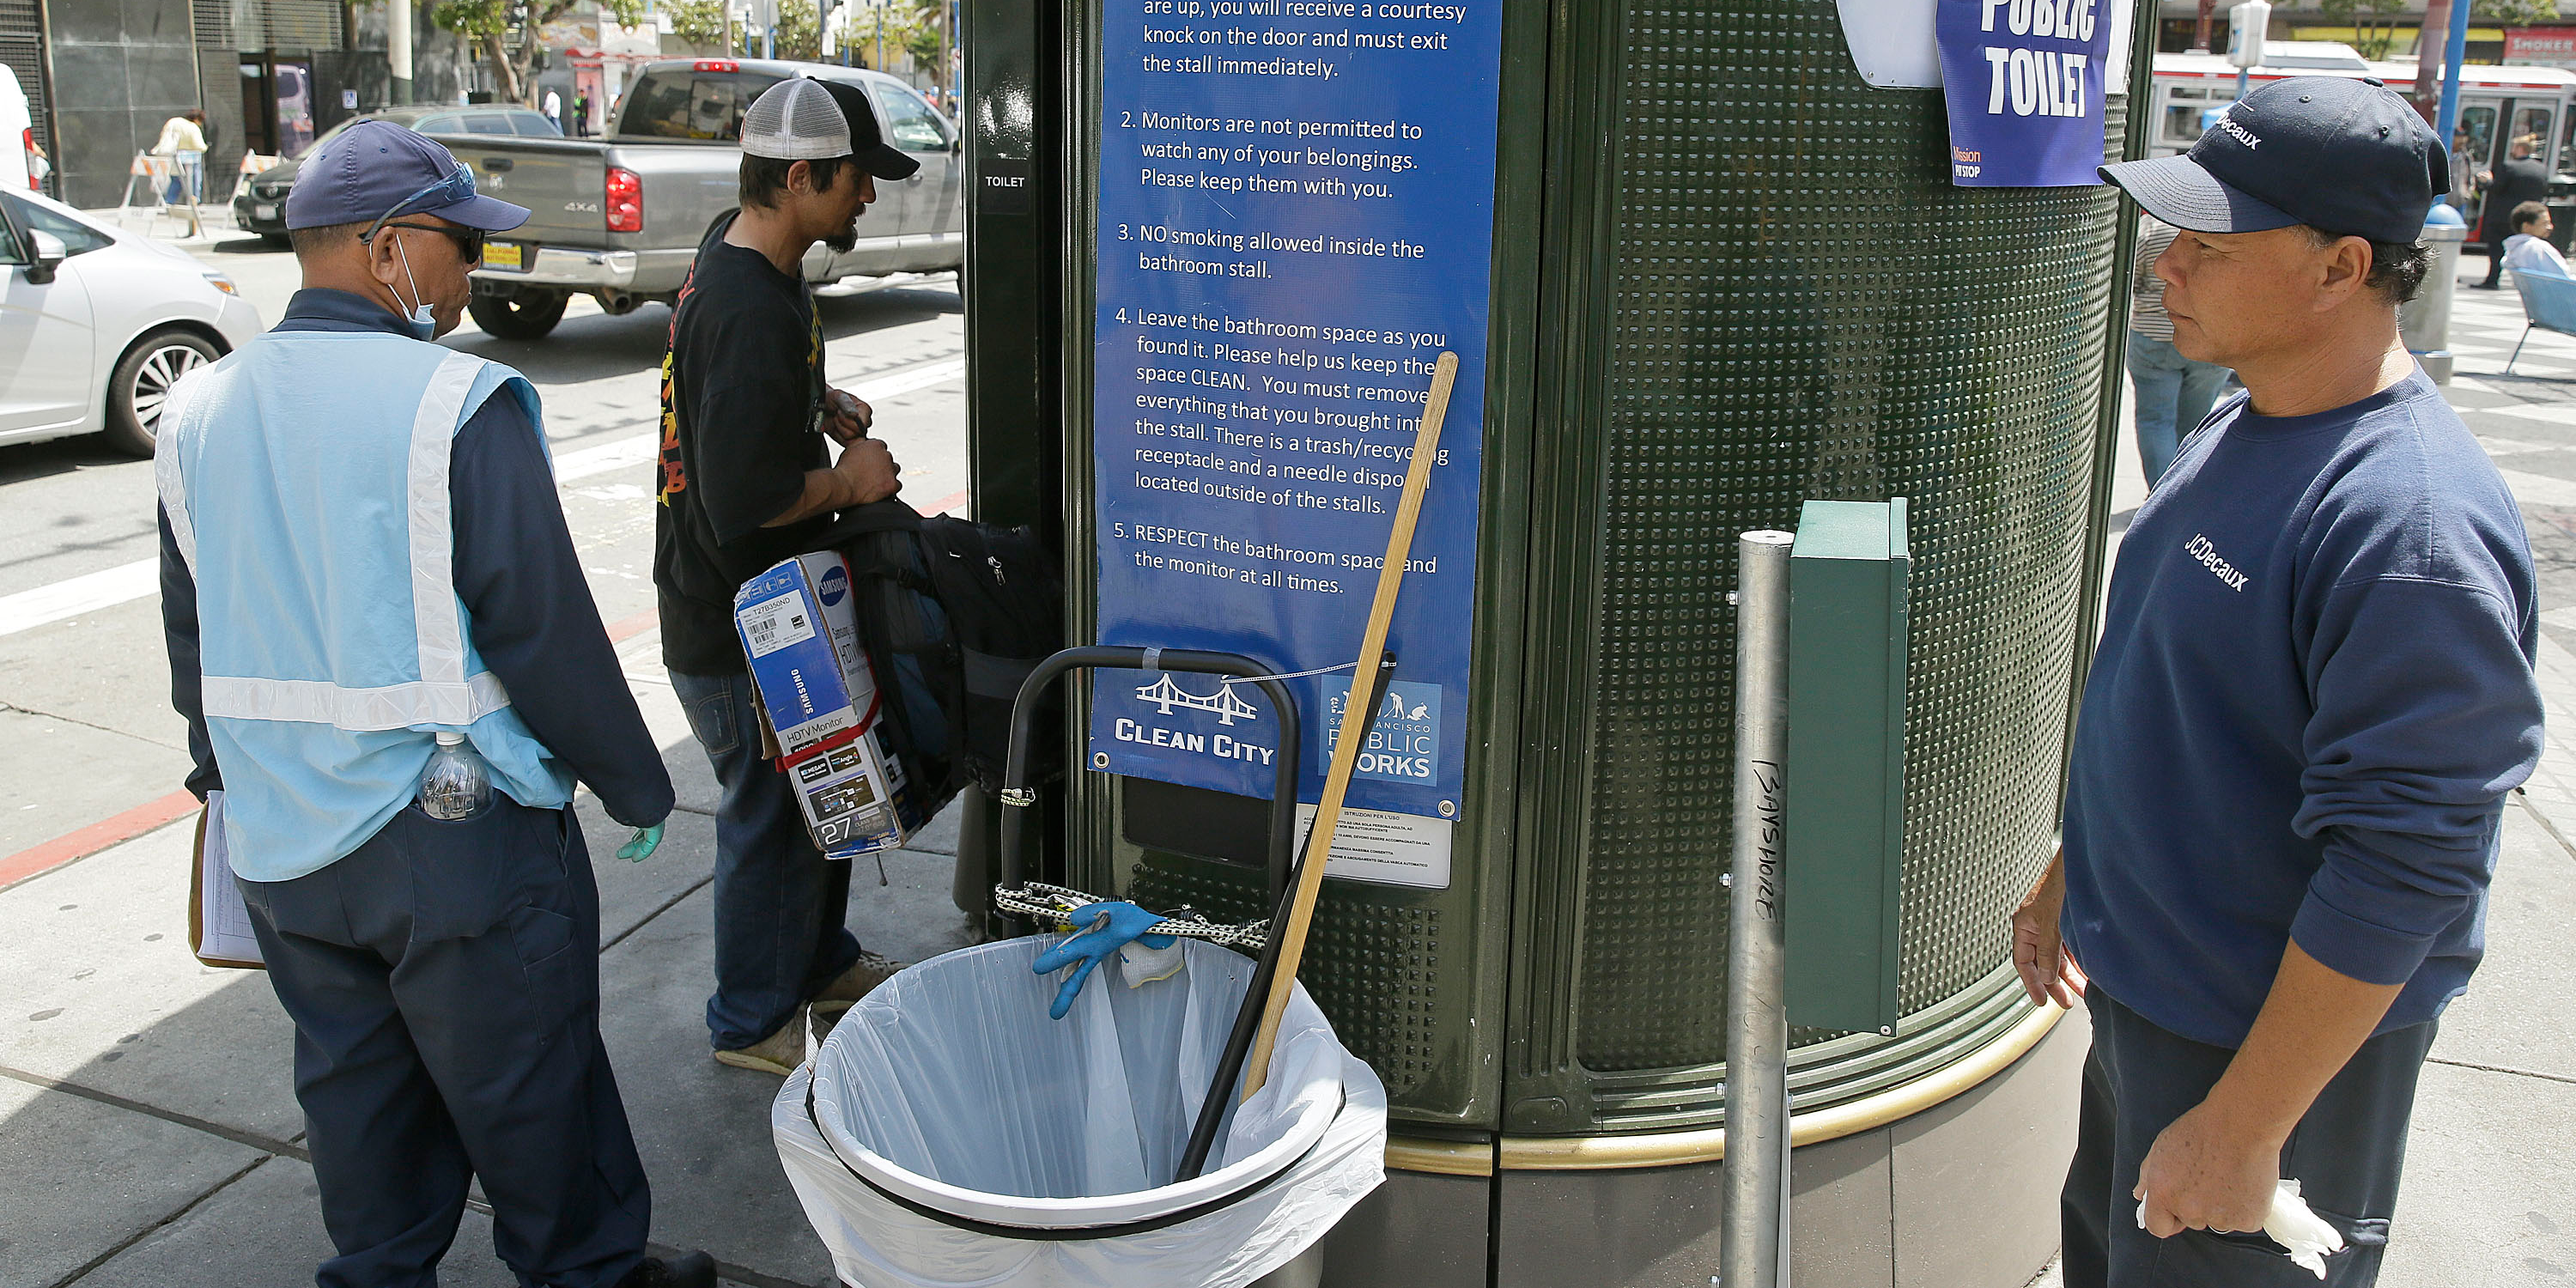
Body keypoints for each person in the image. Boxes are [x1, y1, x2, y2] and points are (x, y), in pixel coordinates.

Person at [155, 120, 716, 1288]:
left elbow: (192, 633)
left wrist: (225, 780)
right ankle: (590, 1273)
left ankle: (381, 1271)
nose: (472, 270)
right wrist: (634, 778)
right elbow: (540, 624)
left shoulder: (198, 410)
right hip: (454, 842)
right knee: (532, 1084)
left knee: (357, 1095)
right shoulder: (455, 402)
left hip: (285, 841)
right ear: (386, 248)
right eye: (461, 244)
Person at [2024, 77, 2543, 1288]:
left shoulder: (2411, 530)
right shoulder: (2250, 412)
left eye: (2212, 244)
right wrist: (2075, 870)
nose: (2167, 266)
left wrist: (2248, 1126)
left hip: (2264, 1060)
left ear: (2342, 267)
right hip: (2154, 1010)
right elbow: (2174, 692)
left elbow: (2407, 862)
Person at [653, 77, 920, 1075]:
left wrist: (817, 398)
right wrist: (851, 479)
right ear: (802, 175)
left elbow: (731, 404)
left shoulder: (747, 257)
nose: (870, 196)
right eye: (858, 178)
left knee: (818, 805)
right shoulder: (749, 308)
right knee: (771, 824)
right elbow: (743, 499)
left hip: (775, 611)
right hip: (738, 628)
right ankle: (753, 1019)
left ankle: (820, 963)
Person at [2125, 213, 2232, 485]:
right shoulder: (2223, 226)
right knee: (2196, 423)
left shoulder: (2151, 228)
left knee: (2155, 420)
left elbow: (2130, 279)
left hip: (2153, 338)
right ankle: (2185, 490)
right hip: (2211, 337)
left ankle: (2162, 493)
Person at [2475, 133, 2549, 289]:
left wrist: (2487, 181)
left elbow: (2497, 189)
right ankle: (2529, 283)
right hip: (2528, 219)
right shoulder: (2541, 169)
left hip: (2503, 217)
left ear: (2519, 148)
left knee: (2497, 249)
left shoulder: (2508, 167)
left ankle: (2492, 279)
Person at [152, 108, 209, 229]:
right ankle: (195, 202)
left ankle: (169, 202)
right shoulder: (193, 127)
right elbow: (199, 145)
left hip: (174, 156)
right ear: (197, 119)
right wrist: (205, 147)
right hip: (192, 158)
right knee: (194, 181)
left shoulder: (174, 121)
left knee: (176, 181)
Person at [2501, 200, 2571, 279]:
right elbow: (2563, 278)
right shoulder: (2538, 247)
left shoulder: (2514, 249)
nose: (2550, 227)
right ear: (2526, 227)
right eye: (2545, 223)